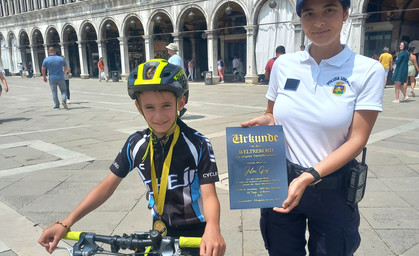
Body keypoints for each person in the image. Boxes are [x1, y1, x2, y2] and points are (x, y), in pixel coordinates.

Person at [38, 59, 226, 256]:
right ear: (139, 108)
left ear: (180, 103)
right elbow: (106, 186)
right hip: (158, 233)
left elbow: (209, 194)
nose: (158, 116)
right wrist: (65, 223)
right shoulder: (136, 143)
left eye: (166, 106)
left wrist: (213, 228)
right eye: (150, 107)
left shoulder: (198, 143)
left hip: (196, 234)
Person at [241, 0, 384, 255]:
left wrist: (309, 177)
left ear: (345, 14)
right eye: (309, 14)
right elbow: (271, 114)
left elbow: (357, 140)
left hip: (332, 189)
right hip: (280, 182)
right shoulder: (284, 65)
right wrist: (266, 121)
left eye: (329, 10)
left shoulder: (368, 70)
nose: (318, 22)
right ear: (300, 19)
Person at [166, 43, 188, 117]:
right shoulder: (174, 57)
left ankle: (180, 109)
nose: (167, 50)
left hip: (176, 80)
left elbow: (176, 69)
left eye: (169, 49)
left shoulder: (175, 58)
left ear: (172, 50)